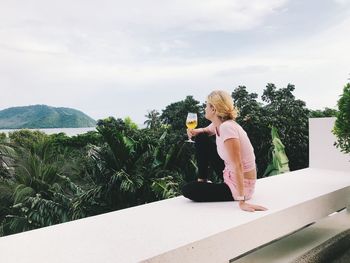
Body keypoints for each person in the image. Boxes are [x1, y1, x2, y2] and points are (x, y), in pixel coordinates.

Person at [182, 90, 267, 212]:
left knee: (188, 190)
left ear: (214, 109)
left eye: (207, 105)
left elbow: (237, 165)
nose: (204, 108)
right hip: (228, 173)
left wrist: (242, 201)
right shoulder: (219, 125)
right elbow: (205, 131)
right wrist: (194, 131)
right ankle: (203, 180)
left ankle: (203, 184)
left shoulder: (228, 128)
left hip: (240, 185)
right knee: (201, 137)